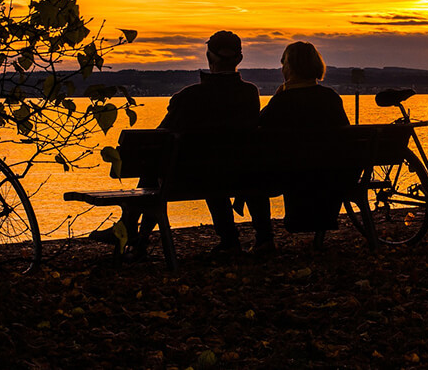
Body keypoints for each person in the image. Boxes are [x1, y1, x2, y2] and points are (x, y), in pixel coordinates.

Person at [91, 31, 274, 255]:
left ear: (209, 57)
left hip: (191, 178)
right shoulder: (249, 94)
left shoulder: (190, 96)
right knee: (205, 167)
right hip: (239, 174)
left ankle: (131, 229)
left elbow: (158, 139)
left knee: (156, 162)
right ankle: (237, 240)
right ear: (240, 58)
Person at [258, 41, 350, 234]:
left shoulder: (283, 101)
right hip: (331, 173)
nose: (282, 69)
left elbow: (259, 127)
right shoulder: (331, 97)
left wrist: (278, 96)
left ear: (290, 67)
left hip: (293, 174)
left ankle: (264, 238)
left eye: (283, 64)